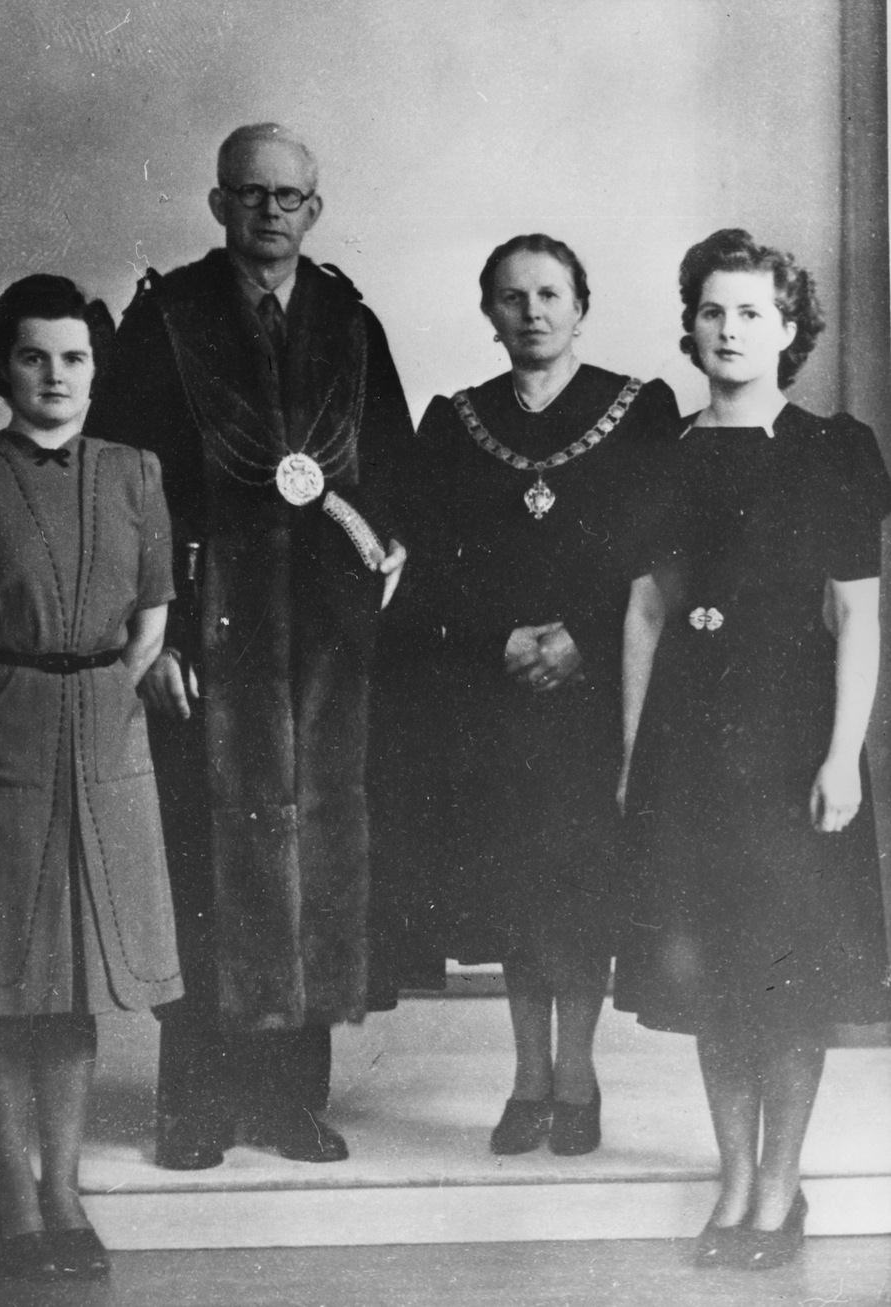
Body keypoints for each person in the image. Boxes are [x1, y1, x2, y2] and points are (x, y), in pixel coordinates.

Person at [85, 122, 414, 1169]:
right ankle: (193, 1102)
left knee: (312, 848)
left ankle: (288, 1100)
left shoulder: (348, 319)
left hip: (323, 635)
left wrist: (379, 565)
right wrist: (155, 638)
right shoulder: (167, 317)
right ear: (219, 203)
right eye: (251, 193)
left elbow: (391, 468)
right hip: (206, 625)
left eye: (288, 196)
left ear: (314, 209)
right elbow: (125, 487)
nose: (270, 211)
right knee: (205, 852)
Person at [615, 229, 891, 1270]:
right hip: (689, 743)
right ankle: (735, 1179)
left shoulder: (835, 448)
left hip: (790, 740)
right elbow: (647, 610)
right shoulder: (663, 450)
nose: (729, 330)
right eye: (712, 311)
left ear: (788, 330)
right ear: (691, 325)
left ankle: (781, 1188)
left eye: (751, 313)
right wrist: (631, 759)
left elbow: (857, 614)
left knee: (788, 976)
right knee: (715, 977)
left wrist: (841, 755)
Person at [0, 275, 182, 1281]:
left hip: (101, 740)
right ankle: (15, 1193)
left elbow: (151, 619)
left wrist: (99, 693)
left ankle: (63, 1189)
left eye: (74, 357)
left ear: (97, 370)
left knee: (71, 984)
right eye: (33, 356)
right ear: (0, 367)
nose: (55, 376)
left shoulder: (136, 471)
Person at [374, 234, 678, 1156]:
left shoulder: (639, 408)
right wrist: (497, 639)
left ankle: (576, 1075)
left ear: (581, 306)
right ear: (489, 312)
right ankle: (527, 1077)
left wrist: (583, 637)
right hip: (494, 694)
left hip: (596, 694)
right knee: (513, 885)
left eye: (550, 294)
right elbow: (429, 566)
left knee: (579, 886)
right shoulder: (455, 419)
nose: (533, 311)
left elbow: (654, 553)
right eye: (513, 297)